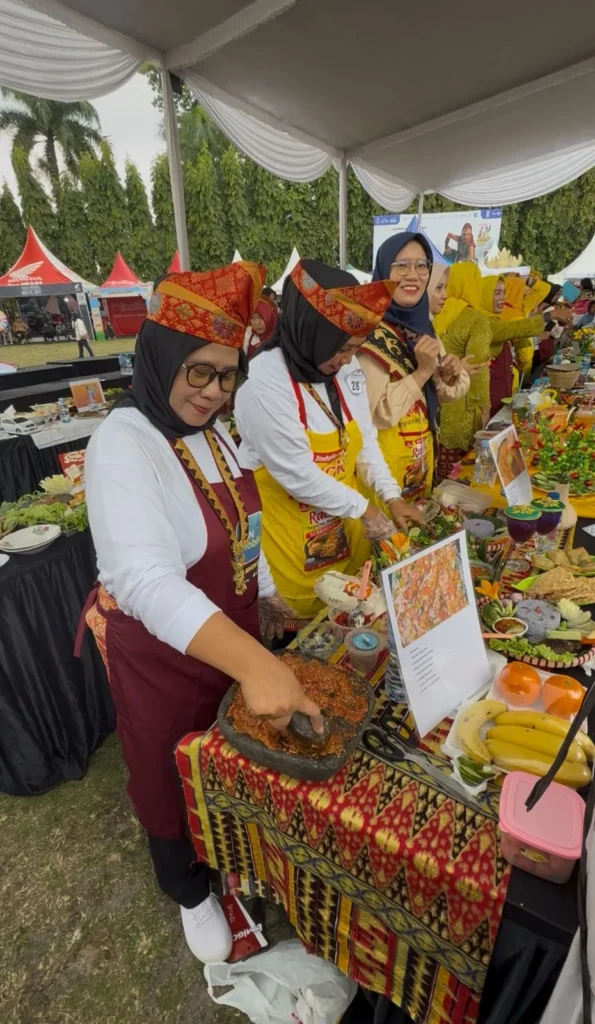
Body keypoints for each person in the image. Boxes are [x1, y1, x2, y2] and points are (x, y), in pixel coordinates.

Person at [81, 263, 322, 964]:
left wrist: (268, 593)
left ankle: (231, 854)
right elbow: (148, 579)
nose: (214, 392)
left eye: (226, 376)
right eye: (199, 373)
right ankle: (187, 889)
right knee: (164, 770)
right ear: (159, 357)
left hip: (233, 632)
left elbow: (246, 518)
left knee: (228, 758)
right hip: (159, 660)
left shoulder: (214, 432)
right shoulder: (123, 444)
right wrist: (255, 664)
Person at [235, 259, 425, 631]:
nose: (348, 359)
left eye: (355, 348)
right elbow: (298, 475)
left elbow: (364, 439)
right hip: (291, 557)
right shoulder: (264, 381)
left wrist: (391, 495)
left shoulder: (344, 370)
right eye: (342, 349)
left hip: (346, 549)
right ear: (312, 332)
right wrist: (368, 512)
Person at [356, 235, 469, 501]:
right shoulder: (368, 334)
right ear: (384, 271)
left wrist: (447, 374)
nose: (413, 275)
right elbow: (377, 413)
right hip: (384, 473)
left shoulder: (422, 326)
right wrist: (423, 373)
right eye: (401, 266)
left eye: (421, 266)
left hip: (421, 458)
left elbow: (445, 394)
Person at [433, 262, 492, 478]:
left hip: (433, 404)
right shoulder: (476, 319)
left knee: (437, 470)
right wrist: (485, 410)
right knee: (461, 476)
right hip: (461, 406)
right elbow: (479, 369)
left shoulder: (432, 314)